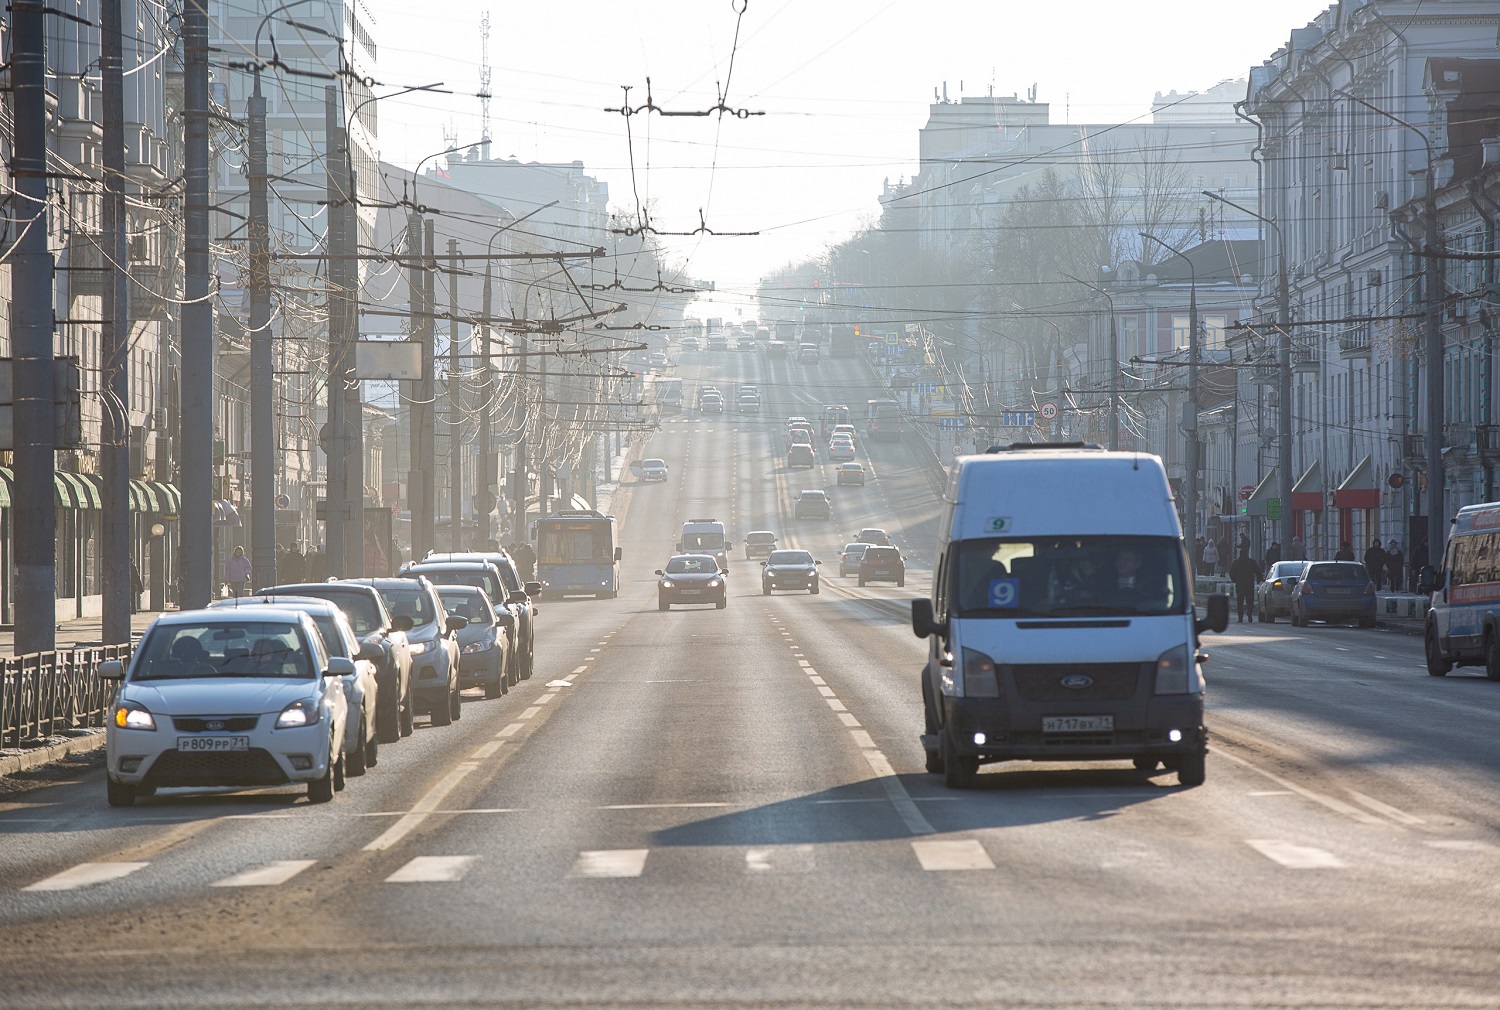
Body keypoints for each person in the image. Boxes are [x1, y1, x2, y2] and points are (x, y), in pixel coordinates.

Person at [1228, 547, 1261, 623]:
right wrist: (1259, 579)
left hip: (1239, 585)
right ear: (1247, 554)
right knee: (1250, 601)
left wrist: (1235, 580)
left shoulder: (1236, 562)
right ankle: (1249, 614)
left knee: (1240, 602)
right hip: (1249, 584)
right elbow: (1258, 571)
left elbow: (1231, 573)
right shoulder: (1251, 562)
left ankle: (1240, 618)